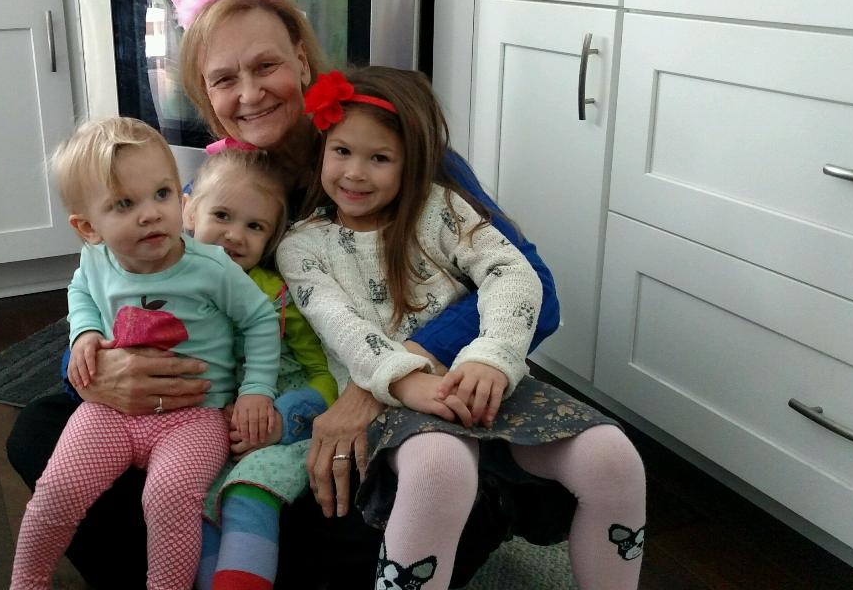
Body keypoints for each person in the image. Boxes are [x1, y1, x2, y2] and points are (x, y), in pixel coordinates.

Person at [5, 0, 562, 588]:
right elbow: (126, 289)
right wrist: (95, 371)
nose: (249, 94)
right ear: (205, 95)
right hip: (244, 410)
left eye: (265, 66)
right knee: (42, 429)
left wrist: (376, 384)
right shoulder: (215, 189)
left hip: (387, 398)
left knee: (397, 499)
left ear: (301, 60)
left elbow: (539, 291)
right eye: (224, 79)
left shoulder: (391, 150)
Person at [277, 65, 646, 590]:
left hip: (478, 379)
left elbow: (513, 272)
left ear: (412, 162)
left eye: (379, 158)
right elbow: (340, 326)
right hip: (390, 397)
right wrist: (406, 381)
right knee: (441, 469)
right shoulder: (301, 246)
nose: (355, 173)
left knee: (613, 458)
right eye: (342, 151)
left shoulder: (441, 208)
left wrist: (491, 356)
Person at [10, 117, 282, 590]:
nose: (151, 214)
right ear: (87, 228)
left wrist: (256, 390)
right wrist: (84, 334)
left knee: (170, 497)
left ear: (183, 201)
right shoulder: (95, 260)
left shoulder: (211, 267)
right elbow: (81, 293)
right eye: (125, 204)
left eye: (162, 194)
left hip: (196, 415)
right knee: (60, 487)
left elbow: (261, 319)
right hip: (111, 411)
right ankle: (28, 580)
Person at [183, 147, 339, 590]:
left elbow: (327, 376)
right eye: (222, 215)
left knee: (247, 495)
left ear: (271, 239)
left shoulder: (278, 296)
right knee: (197, 502)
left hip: (284, 429)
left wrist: (283, 420)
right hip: (211, 426)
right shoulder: (169, 287)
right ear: (189, 212)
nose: (235, 235)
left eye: (255, 226)